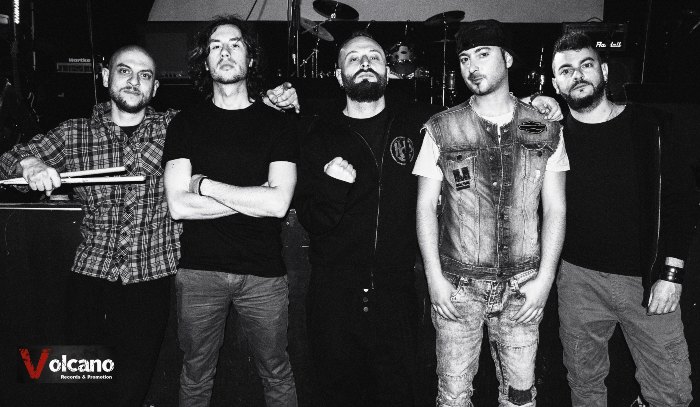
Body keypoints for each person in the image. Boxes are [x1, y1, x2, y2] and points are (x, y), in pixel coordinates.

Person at [0, 44, 297, 406]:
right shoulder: (73, 133)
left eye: (145, 76)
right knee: (77, 382)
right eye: (124, 71)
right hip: (90, 276)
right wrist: (31, 165)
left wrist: (273, 100)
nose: (133, 81)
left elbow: (229, 116)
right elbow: (9, 160)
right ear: (106, 77)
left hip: (152, 279)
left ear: (155, 88)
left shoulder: (175, 125)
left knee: (132, 387)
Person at [295, 29, 563, 407]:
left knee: (402, 392)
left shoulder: (422, 121)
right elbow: (310, 219)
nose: (365, 63)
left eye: (374, 57)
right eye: (353, 59)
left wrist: (539, 102)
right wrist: (333, 188)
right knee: (338, 393)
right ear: (339, 76)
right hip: (334, 294)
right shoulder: (315, 132)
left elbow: (484, 111)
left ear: (389, 71)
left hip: (398, 290)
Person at [414, 19, 568, 407]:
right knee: (453, 396)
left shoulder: (544, 127)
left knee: (520, 396)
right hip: (458, 285)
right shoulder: (442, 128)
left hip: (522, 286)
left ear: (508, 59)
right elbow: (424, 207)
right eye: (465, 58)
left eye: (483, 54)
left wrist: (545, 280)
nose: (472, 66)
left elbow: (556, 208)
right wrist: (434, 278)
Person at [550, 30, 696, 407]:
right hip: (577, 280)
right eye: (566, 70)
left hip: (645, 281)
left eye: (586, 65)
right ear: (555, 84)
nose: (577, 75)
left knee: (671, 392)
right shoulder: (551, 136)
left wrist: (672, 274)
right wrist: (534, 102)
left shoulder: (651, 124)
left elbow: (681, 202)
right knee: (584, 384)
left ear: (603, 70)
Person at [162, 15, 298, 407]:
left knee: (276, 372)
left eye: (235, 44)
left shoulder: (278, 124)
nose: (225, 52)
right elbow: (178, 205)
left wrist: (205, 185)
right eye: (215, 46)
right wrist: (254, 198)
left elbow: (278, 204)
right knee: (195, 374)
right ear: (204, 61)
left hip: (263, 273)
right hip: (199, 272)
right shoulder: (185, 124)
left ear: (250, 58)